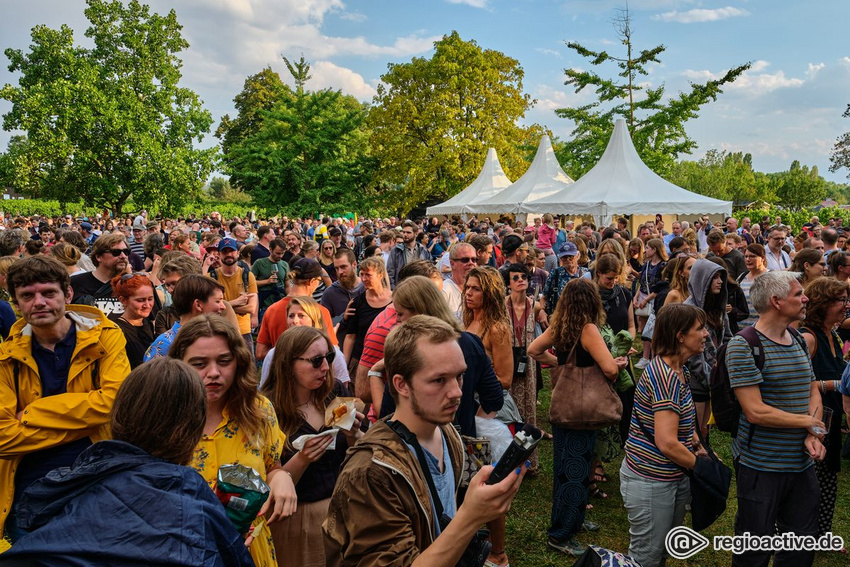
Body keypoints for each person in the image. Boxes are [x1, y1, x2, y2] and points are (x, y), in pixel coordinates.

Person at [0, 358, 254, 566]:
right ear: (191, 429)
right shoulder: (190, 494)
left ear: (119, 415)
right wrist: (231, 541)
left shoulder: (68, 483)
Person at [323, 315, 529, 565]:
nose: (457, 392)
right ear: (401, 385)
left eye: (459, 376)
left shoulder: (446, 432)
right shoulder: (371, 473)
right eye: (439, 380)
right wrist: (471, 517)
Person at [0, 255, 132, 542]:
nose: (39, 303)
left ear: (67, 293)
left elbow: (114, 403)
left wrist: (33, 413)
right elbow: (1, 436)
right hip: (29, 495)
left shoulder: (105, 337)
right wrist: (85, 421)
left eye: (49, 293)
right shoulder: (6, 356)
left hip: (98, 484)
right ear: (16, 302)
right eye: (27, 296)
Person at [169, 315, 298, 567]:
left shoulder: (259, 410)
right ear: (178, 364)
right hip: (187, 551)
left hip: (250, 549)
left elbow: (271, 465)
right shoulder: (164, 417)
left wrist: (281, 477)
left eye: (224, 361)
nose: (214, 373)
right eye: (199, 363)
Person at [728, 271, 826, 567]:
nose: (805, 298)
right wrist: (808, 424)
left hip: (801, 465)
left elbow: (813, 391)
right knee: (754, 550)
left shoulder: (797, 337)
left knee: (800, 546)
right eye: (798, 294)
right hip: (761, 467)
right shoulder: (743, 345)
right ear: (776, 301)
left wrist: (813, 435)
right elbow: (755, 411)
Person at [528, 279, 628, 557]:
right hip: (584, 410)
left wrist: (559, 362)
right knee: (575, 472)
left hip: (566, 409)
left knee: (567, 468)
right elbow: (608, 370)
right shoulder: (588, 329)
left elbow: (533, 350)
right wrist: (616, 364)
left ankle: (576, 518)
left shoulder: (560, 327)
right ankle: (560, 534)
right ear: (592, 301)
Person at [260, 326, 363, 566]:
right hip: (297, 520)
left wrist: (354, 434)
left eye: (328, 358)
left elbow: (355, 453)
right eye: (316, 361)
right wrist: (302, 459)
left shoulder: (332, 392)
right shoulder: (268, 409)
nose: (326, 367)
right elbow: (267, 486)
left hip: (343, 509)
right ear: (288, 363)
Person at [620, 303, 706, 567]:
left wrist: (694, 441)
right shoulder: (665, 376)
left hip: (670, 477)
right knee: (646, 556)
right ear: (680, 336)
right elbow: (666, 442)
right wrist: (704, 468)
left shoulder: (680, 369)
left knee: (661, 551)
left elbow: (680, 419)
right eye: (699, 329)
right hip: (650, 481)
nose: (705, 334)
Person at [798, 277, 848, 538]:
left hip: (831, 418)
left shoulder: (833, 334)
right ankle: (802, 533)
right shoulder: (809, 337)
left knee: (828, 478)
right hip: (813, 420)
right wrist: (836, 384)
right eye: (840, 300)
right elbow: (799, 383)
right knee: (811, 481)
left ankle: (822, 535)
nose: (846, 305)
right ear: (822, 303)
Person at [503, 263, 547, 474]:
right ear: (508, 283)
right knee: (509, 410)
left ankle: (530, 463)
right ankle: (510, 460)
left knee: (529, 410)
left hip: (528, 363)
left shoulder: (535, 306)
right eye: (515, 277)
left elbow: (545, 329)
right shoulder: (503, 306)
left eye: (524, 277)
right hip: (508, 360)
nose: (521, 280)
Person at [683, 259, 732, 437]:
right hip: (697, 380)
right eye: (715, 277)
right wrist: (709, 379)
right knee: (695, 429)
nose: (720, 281)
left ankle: (705, 456)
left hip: (715, 376)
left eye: (721, 277)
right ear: (701, 280)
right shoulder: (688, 310)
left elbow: (727, 338)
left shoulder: (718, 308)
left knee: (706, 429)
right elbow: (691, 353)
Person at [256, 258, 338, 362]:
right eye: (319, 281)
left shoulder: (272, 310)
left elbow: (260, 353)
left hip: (280, 374)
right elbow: (332, 350)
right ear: (311, 281)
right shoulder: (319, 311)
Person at [259, 296, 349, 389]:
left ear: (314, 320)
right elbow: (265, 390)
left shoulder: (332, 352)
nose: (295, 321)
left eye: (301, 316)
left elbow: (342, 393)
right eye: (291, 316)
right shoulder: (274, 353)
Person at [143, 274, 228, 360]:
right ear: (198, 305)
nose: (223, 307)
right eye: (218, 301)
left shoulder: (219, 337)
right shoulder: (165, 345)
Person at [207, 238, 258, 355]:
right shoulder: (211, 277)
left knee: (247, 367)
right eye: (225, 252)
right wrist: (236, 302)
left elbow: (251, 308)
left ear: (238, 253)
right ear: (219, 255)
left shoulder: (247, 275)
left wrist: (222, 305)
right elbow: (208, 308)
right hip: (219, 329)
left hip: (243, 330)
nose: (228, 254)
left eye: (231, 251)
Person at [69, 233, 132, 316]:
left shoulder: (133, 284)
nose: (123, 256)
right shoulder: (74, 283)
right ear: (98, 257)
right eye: (116, 252)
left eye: (126, 252)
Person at [108, 273, 155, 369]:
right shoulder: (116, 330)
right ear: (123, 300)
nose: (147, 305)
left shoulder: (148, 323)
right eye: (140, 300)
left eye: (150, 299)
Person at [634, 238, 668, 370]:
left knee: (653, 330)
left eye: (648, 248)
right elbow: (641, 283)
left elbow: (661, 287)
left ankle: (654, 359)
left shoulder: (663, 266)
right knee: (644, 331)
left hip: (655, 299)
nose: (645, 250)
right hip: (643, 297)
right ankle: (645, 357)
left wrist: (646, 299)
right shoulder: (647, 264)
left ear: (654, 249)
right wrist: (636, 296)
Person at [542, 241, 590, 316]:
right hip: (558, 318)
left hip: (581, 317)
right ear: (560, 258)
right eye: (564, 257)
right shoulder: (555, 273)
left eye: (571, 257)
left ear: (577, 256)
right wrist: (542, 312)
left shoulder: (586, 273)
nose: (567, 259)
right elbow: (544, 297)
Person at [320, 248, 363, 324]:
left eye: (343, 267)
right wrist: (342, 317)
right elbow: (323, 324)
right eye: (336, 268)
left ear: (354, 264)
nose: (339, 272)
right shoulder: (330, 293)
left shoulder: (366, 288)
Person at [386, 220, 431, 289]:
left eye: (408, 232)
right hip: (401, 289)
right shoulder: (396, 251)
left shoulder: (423, 250)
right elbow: (390, 273)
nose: (405, 234)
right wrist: (394, 289)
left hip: (420, 288)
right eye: (403, 232)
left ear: (416, 234)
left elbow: (429, 270)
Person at [251, 238, 290, 315]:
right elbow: (251, 283)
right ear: (270, 249)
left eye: (282, 253)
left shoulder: (284, 264)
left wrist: (289, 300)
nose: (280, 256)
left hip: (280, 302)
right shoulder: (259, 263)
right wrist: (267, 281)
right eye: (278, 253)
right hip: (264, 304)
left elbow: (287, 285)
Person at [739, 243, 768, 329]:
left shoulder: (771, 277)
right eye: (746, 256)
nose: (748, 259)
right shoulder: (741, 277)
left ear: (762, 258)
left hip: (762, 329)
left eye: (752, 256)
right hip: (741, 330)